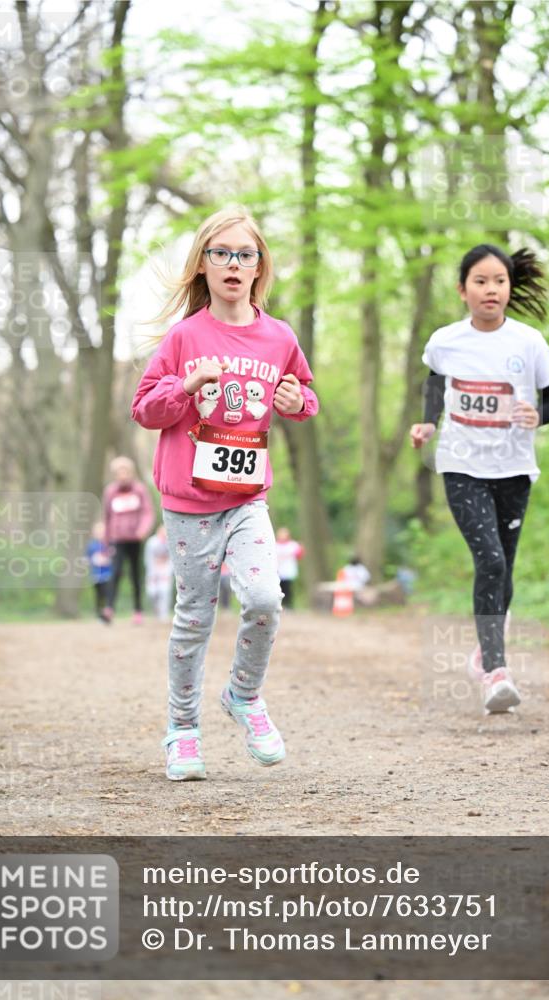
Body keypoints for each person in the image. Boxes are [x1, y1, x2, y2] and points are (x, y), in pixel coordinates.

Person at [131, 206, 319, 781]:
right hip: (189, 503)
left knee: (264, 599)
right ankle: (183, 731)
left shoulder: (279, 336)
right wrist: (185, 387)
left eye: (245, 254)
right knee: (194, 617)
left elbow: (304, 396)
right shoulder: (185, 337)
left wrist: (297, 404)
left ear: (260, 266)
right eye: (221, 254)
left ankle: (243, 695)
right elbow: (143, 408)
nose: (233, 264)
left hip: (246, 499)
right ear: (203, 266)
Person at [410, 244, 549, 714]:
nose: (490, 289)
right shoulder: (446, 340)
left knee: (505, 570)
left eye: (499, 280)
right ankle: (495, 670)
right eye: (480, 281)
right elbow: (435, 381)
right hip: (460, 465)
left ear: (509, 287)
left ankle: (484, 648)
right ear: (463, 290)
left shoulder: (529, 342)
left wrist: (536, 415)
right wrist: (429, 422)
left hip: (514, 470)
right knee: (491, 561)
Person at [102, 456, 155, 624]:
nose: (122, 475)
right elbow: (107, 517)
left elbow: (148, 512)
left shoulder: (139, 489)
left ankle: (138, 611)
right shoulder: (110, 491)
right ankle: (109, 609)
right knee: (115, 573)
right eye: (119, 472)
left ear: (131, 472)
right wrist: (106, 540)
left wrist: (142, 530)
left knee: (135, 574)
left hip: (135, 539)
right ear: (115, 474)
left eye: (125, 471)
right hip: (117, 539)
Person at [145, 524, 174, 621]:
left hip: (165, 571)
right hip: (153, 571)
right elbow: (148, 559)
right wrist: (151, 574)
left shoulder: (171, 542)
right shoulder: (151, 543)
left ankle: (163, 614)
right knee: (152, 592)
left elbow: (172, 560)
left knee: (165, 592)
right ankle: (156, 610)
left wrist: (169, 573)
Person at [85, 521, 113, 623]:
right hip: (96, 576)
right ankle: (99, 615)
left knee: (107, 595)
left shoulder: (109, 543)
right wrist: (93, 560)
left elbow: (113, 557)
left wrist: (107, 559)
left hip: (108, 575)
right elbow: (87, 559)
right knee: (99, 596)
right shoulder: (92, 545)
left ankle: (108, 615)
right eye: (98, 531)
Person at [275, 527, 304, 607]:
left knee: (288, 589)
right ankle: (280, 605)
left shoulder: (292, 545)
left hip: (288, 571)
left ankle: (288, 604)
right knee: (279, 589)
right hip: (278, 571)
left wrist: (301, 549)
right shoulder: (275, 545)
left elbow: (299, 555)